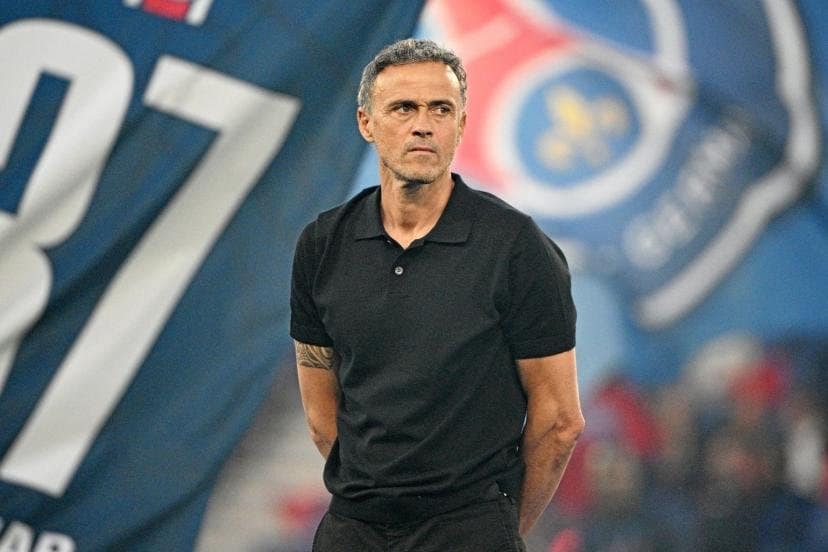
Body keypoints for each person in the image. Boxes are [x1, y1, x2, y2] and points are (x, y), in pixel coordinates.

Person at [290, 38, 585, 552]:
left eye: (441, 109)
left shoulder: (516, 247)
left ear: (461, 124)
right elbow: (321, 417)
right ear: (366, 122)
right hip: (352, 531)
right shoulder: (322, 244)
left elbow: (560, 422)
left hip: (468, 530)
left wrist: (497, 529)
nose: (423, 125)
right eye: (403, 108)